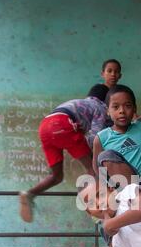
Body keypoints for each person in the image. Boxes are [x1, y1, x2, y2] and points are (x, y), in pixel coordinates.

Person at [19, 84, 109, 223]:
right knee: (93, 168)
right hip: (61, 124)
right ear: (106, 100)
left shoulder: (81, 103)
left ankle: (29, 194)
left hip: (45, 126)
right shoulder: (100, 107)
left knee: (56, 176)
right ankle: (95, 209)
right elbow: (94, 136)